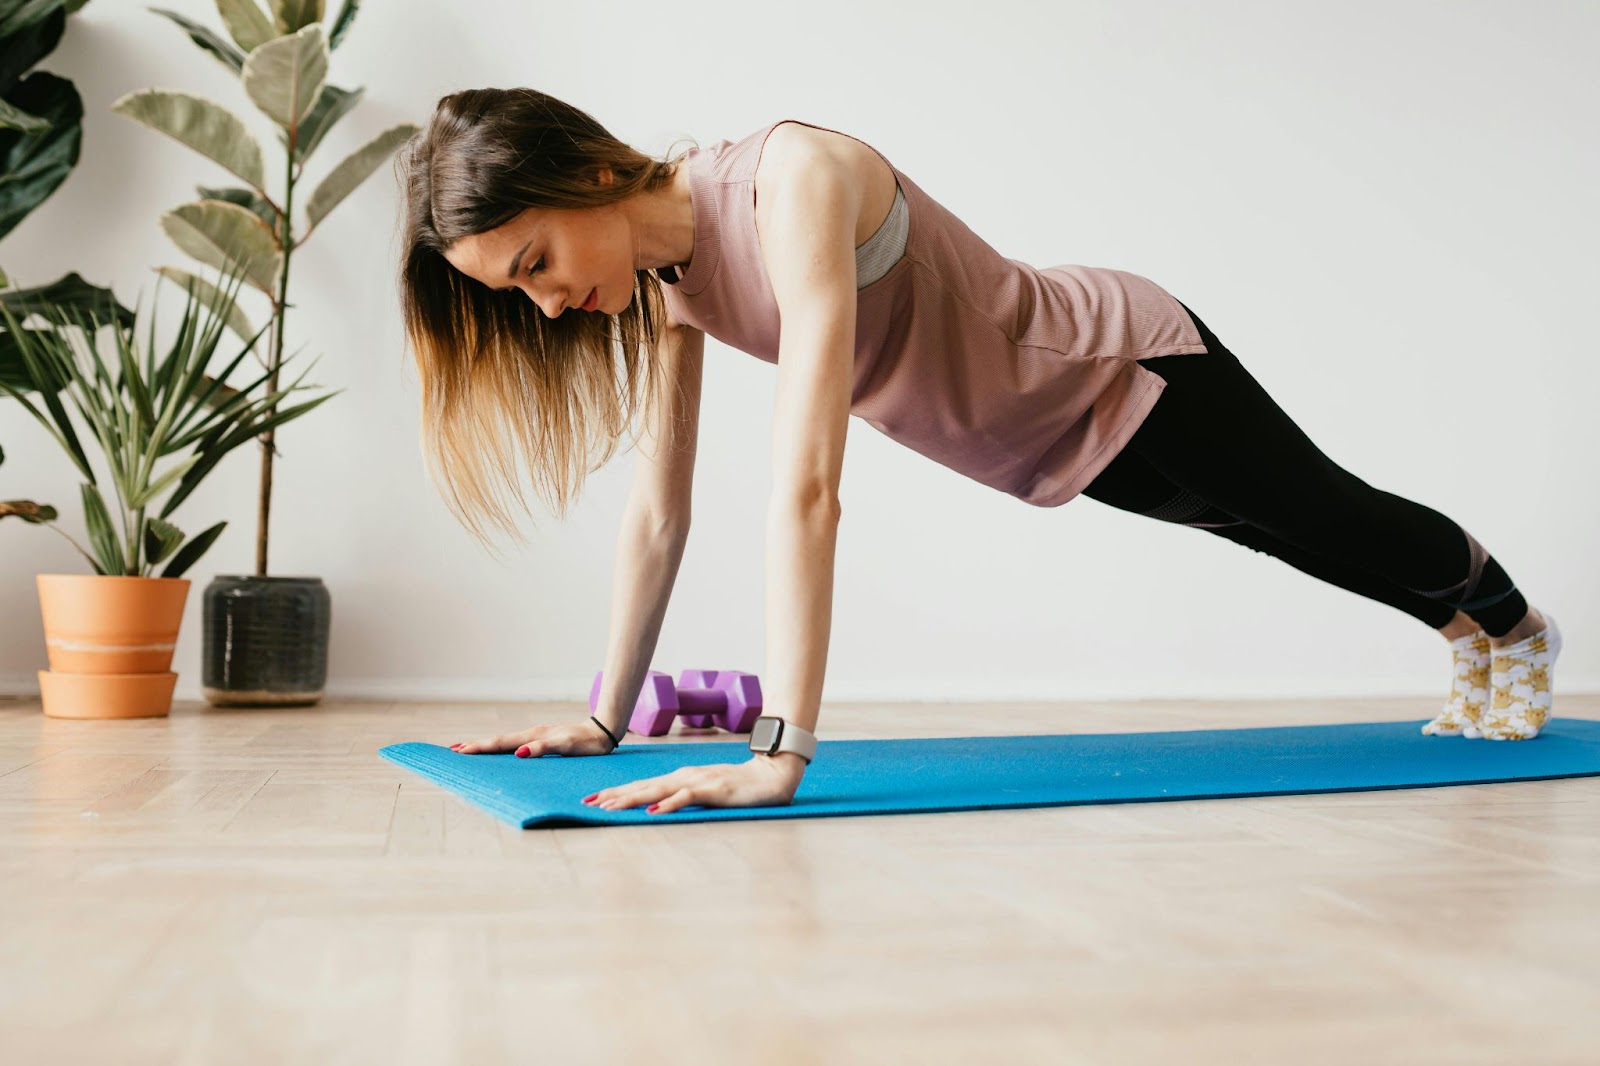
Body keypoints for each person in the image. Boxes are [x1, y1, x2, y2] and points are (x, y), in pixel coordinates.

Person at [398, 88, 1562, 815]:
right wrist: (604, 714)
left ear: (590, 175)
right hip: (1047, 446)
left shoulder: (788, 181)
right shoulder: (665, 291)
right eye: (518, 289)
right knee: (1275, 534)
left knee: (1326, 515)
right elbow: (660, 513)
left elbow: (806, 485)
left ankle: (1506, 625)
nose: (544, 305)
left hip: (1122, 367)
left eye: (535, 262)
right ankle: (1461, 630)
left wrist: (780, 750)